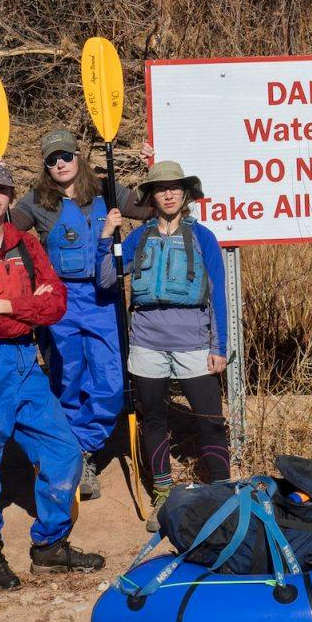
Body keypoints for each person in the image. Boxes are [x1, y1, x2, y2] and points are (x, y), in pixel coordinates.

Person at [0, 161, 103, 591]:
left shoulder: (28, 246)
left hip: (25, 363)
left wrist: (10, 307)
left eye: (3, 189)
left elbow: (57, 305)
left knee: (64, 449)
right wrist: (29, 310)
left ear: (12, 198)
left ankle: (50, 548)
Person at [12, 130, 151, 499]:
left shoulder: (109, 190)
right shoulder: (38, 200)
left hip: (105, 297)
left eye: (65, 156)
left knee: (110, 380)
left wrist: (152, 167)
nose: (59, 164)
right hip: (61, 300)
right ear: (45, 166)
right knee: (67, 377)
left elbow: (151, 208)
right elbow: (5, 229)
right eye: (51, 159)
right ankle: (75, 457)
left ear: (79, 156)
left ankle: (85, 445)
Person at [100, 161, 230, 531]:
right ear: (152, 197)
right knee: (153, 420)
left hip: (194, 345)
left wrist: (218, 347)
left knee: (211, 422)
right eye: (161, 188)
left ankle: (222, 491)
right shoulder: (138, 238)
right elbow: (107, 277)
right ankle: (162, 493)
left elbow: (217, 294)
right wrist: (106, 237)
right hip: (146, 346)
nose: (168, 193)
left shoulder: (203, 237)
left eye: (175, 187)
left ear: (185, 193)